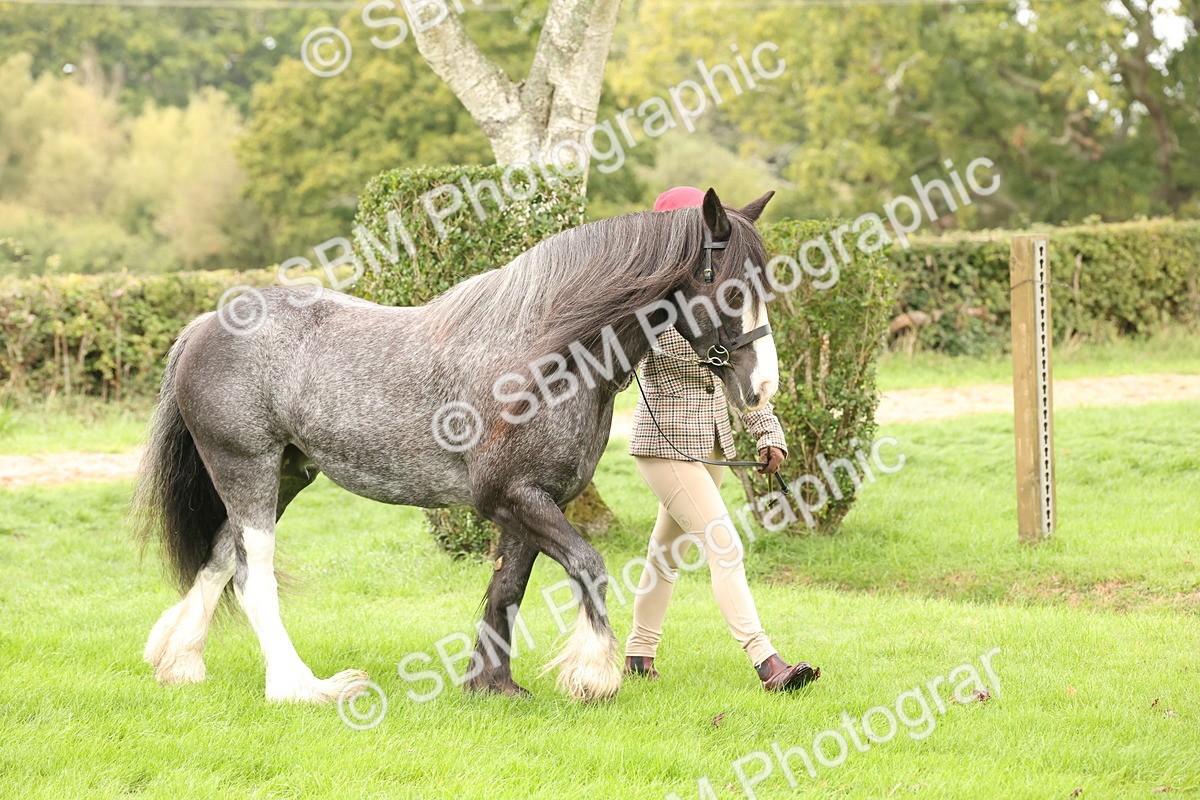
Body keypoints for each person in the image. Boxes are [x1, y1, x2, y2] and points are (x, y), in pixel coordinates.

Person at [622, 186, 819, 692]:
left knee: (665, 554)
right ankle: (767, 661)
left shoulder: (711, 293)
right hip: (664, 444)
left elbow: (735, 364)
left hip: (710, 442)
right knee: (723, 544)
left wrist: (766, 430)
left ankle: (639, 656)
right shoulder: (650, 300)